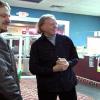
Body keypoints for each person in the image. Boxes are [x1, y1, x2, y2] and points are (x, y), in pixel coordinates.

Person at [29, 14, 79, 100]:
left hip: (67, 83)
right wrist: (53, 69)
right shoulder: (36, 45)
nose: (55, 26)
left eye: (56, 23)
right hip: (47, 86)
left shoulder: (66, 40)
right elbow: (33, 68)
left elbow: (75, 58)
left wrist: (68, 63)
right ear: (42, 26)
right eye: (51, 24)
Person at [0, 1, 22, 100]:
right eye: (3, 16)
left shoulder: (3, 41)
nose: (9, 20)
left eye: (9, 16)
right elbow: (4, 81)